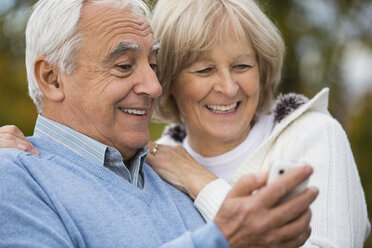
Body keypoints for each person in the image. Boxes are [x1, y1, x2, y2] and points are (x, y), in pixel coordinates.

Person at [0, 0, 318, 247]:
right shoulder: (14, 176)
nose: (154, 87)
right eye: (124, 66)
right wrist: (222, 240)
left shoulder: (173, 169)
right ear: (52, 78)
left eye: (153, 64)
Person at [144, 0, 370, 247]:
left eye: (242, 66)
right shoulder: (151, 164)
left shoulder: (315, 135)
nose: (229, 88)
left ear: (262, 69)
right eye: (205, 70)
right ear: (167, 80)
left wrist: (200, 182)